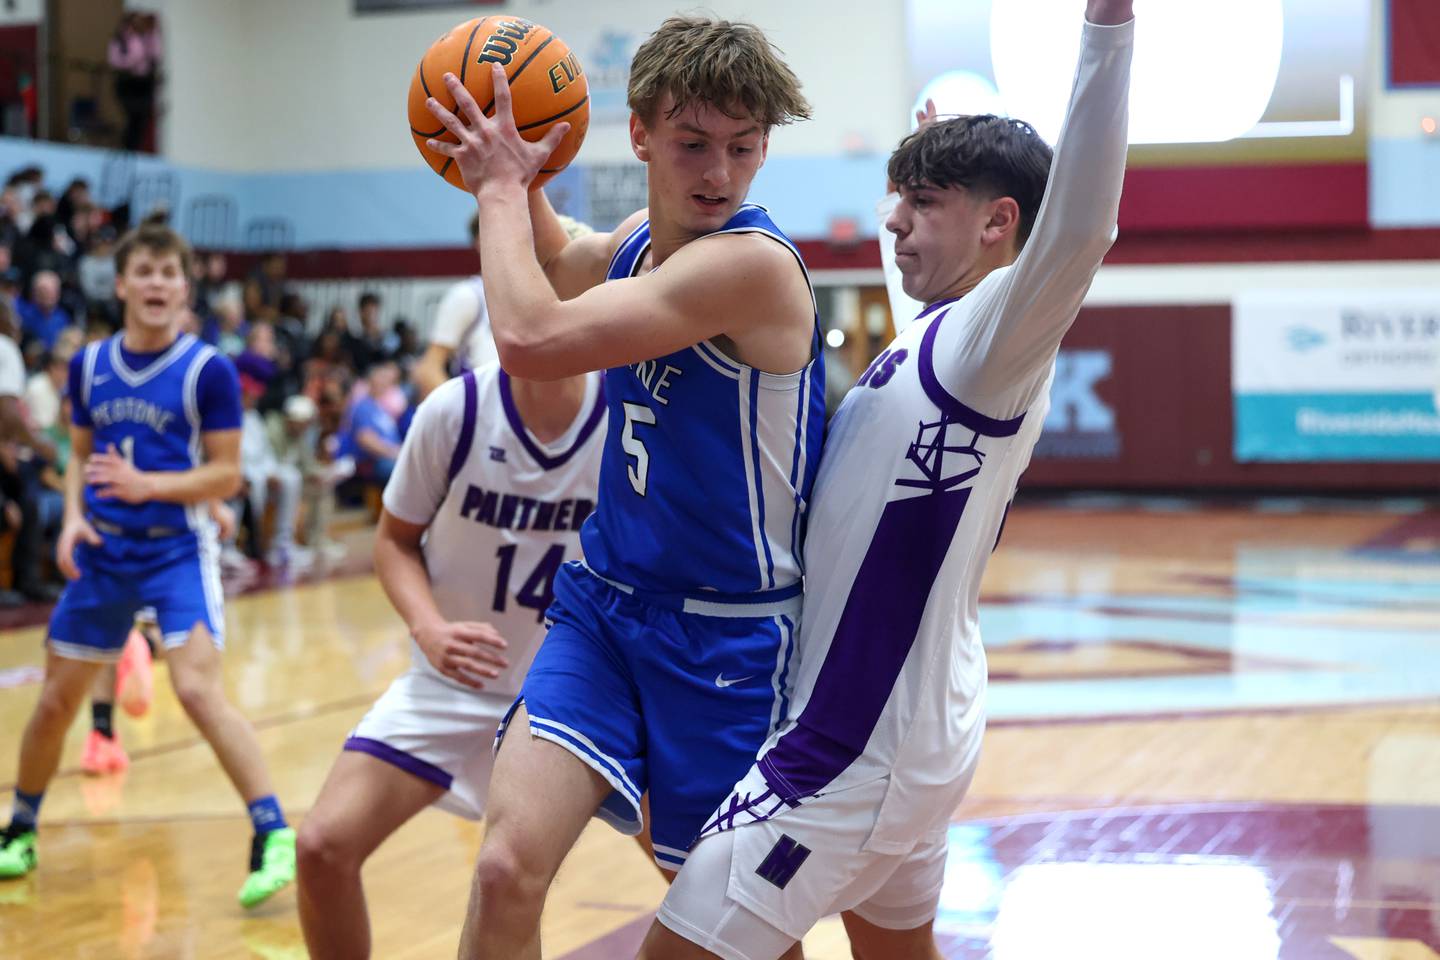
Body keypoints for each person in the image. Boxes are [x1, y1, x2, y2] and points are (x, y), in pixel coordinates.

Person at [648, 3, 1136, 958]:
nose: (892, 223)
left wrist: (1108, 31)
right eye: (897, 200)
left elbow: (1078, 226)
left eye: (922, 206)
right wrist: (928, 162)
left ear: (1001, 226)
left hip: (852, 748)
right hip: (902, 733)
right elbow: (913, 243)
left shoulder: (992, 344)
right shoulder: (934, 337)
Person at [422, 15, 823, 958]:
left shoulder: (752, 268)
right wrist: (526, 162)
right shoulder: (646, 239)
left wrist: (497, 189)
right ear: (640, 134)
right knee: (503, 868)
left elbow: (529, 333)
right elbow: (561, 265)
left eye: (743, 148)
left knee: (730, 929)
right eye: (693, 143)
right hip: (605, 609)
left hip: (724, 640)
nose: (718, 172)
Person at [0, 223, 298, 908]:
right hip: (104, 548)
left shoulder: (208, 371)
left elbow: (226, 477)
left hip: (173, 549)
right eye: (148, 271)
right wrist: (73, 517)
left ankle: (271, 831)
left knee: (197, 691)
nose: (159, 283)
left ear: (185, 288)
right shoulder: (90, 365)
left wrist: (151, 487)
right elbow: (77, 453)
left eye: (172, 272)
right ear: (124, 283)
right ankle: (19, 827)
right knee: (54, 704)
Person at [297, 343, 607, 957]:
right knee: (321, 847)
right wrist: (427, 627)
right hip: (453, 681)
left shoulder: (628, 414)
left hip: (572, 694)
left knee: (696, 868)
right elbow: (394, 541)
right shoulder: (455, 411)